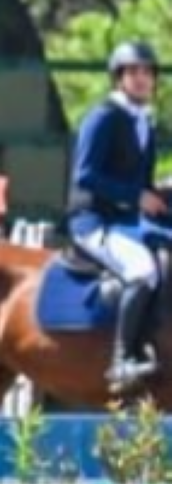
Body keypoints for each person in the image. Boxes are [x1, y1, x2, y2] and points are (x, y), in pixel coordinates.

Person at [67, 39, 169, 391]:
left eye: (147, 73)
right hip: (93, 221)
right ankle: (122, 360)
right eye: (133, 73)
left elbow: (141, 184)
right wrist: (136, 195)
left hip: (127, 222)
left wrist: (159, 191)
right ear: (118, 78)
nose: (142, 79)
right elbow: (85, 175)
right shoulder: (104, 117)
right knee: (143, 272)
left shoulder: (142, 121)